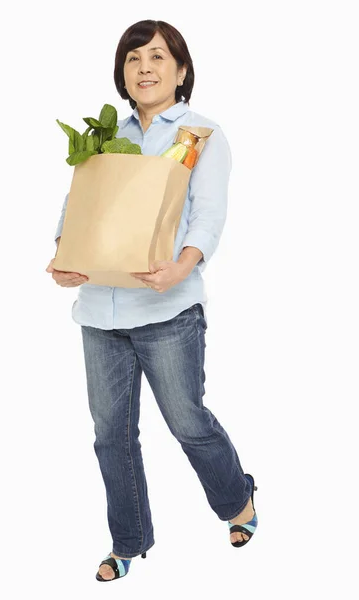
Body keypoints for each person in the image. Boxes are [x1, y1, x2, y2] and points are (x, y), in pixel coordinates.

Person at [46, 19, 258, 582]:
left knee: (188, 422)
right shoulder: (103, 134)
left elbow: (208, 216)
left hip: (168, 311)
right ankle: (128, 540)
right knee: (110, 434)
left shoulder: (201, 135)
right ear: (122, 71)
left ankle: (238, 499)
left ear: (181, 70)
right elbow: (79, 207)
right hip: (98, 311)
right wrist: (62, 254)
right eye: (134, 58)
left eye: (159, 57)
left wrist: (183, 266)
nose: (145, 67)